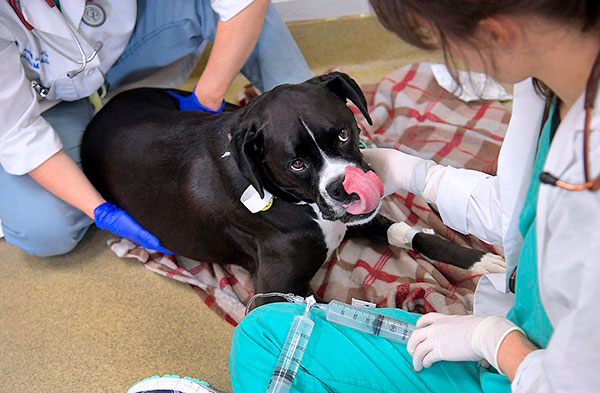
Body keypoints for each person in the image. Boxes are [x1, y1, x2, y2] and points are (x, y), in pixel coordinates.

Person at [220, 1, 600, 392]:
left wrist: (497, 342)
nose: (449, 60)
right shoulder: (544, 83)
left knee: (263, 347)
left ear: (496, 33)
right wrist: (418, 174)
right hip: (523, 329)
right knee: (263, 332)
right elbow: (525, 213)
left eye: (442, 43)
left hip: (536, 375)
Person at [0, 0, 312, 257]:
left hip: (126, 47)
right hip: (46, 102)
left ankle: (313, 121)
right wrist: (101, 211)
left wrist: (208, 96)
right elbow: (18, 132)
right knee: (44, 229)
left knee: (240, 9)